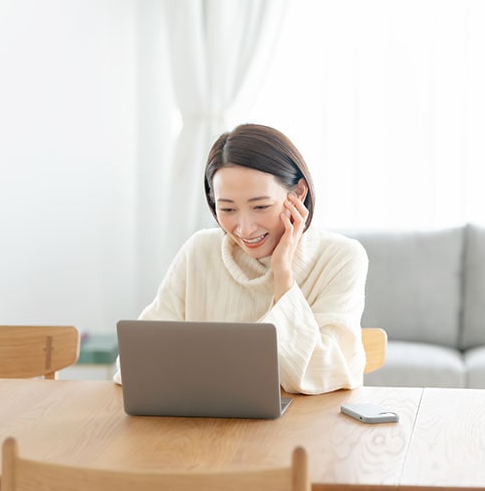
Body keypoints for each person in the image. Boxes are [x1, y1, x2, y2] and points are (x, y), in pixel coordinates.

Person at [113, 124, 368, 394]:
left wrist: (283, 274)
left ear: (298, 194)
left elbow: (322, 373)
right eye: (228, 209)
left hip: (306, 427)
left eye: (260, 206)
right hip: (203, 425)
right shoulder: (200, 250)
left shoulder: (341, 258)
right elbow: (135, 363)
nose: (244, 229)